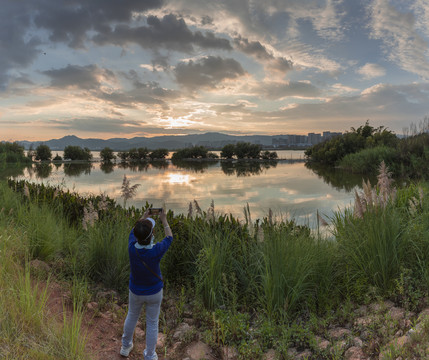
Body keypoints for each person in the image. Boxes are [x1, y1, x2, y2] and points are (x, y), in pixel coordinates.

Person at [120, 208, 173, 359]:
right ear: (152, 235)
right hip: (154, 292)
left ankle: (125, 346)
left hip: (135, 290)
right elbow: (169, 238)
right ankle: (150, 355)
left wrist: (144, 217)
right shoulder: (156, 251)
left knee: (132, 315)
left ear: (136, 236)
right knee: (152, 323)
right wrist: (164, 220)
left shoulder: (132, 247)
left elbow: (134, 230)